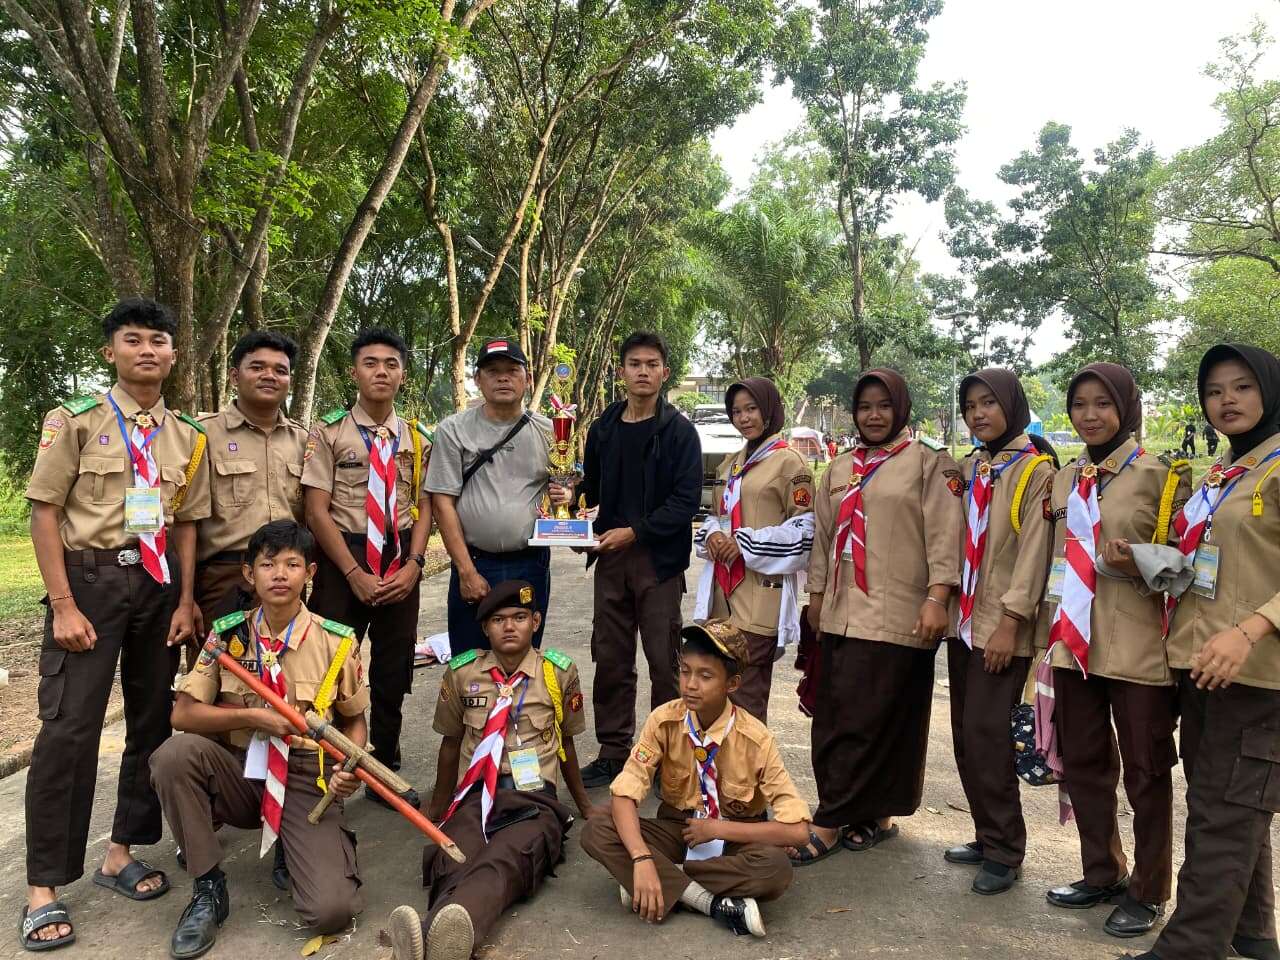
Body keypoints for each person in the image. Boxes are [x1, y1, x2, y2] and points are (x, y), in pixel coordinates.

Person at [21, 298, 211, 951]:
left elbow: (186, 521)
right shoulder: (74, 421)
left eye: (159, 340)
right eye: (133, 341)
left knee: (152, 724)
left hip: (157, 587)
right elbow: (44, 512)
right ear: (111, 352)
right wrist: (64, 603)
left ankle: (121, 853)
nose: (148, 350)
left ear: (174, 354)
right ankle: (44, 887)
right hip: (91, 583)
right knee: (69, 731)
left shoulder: (186, 433)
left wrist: (186, 599)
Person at [1117, 344, 1280, 960]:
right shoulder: (1225, 473)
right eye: (1215, 391)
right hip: (1201, 666)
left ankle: (1188, 948)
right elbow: (1215, 568)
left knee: (1224, 815)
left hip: (1258, 675)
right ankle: (1255, 934)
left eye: (1242, 387)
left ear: (1269, 391)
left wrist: (1253, 630)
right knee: (1232, 805)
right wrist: (1145, 559)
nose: (1228, 400)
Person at [150, 520, 366, 958]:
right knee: (173, 756)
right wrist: (254, 716)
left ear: (310, 573)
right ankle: (208, 886)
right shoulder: (227, 634)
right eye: (268, 564)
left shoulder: (336, 641)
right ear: (249, 574)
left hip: (308, 779)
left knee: (331, 912)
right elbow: (183, 713)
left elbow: (355, 722)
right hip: (243, 769)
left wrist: (351, 768)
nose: (280, 574)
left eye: (292, 564)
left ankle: (300, 842)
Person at [1038, 362, 1190, 939]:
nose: (1090, 415)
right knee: (1084, 763)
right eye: (1080, 404)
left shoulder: (1160, 474)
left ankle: (1149, 890)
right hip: (1074, 642)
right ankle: (1101, 870)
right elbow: (1060, 555)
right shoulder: (1067, 476)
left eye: (1103, 403)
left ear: (1125, 408)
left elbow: (1189, 560)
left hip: (1137, 644)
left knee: (1146, 771)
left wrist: (1138, 559)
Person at [790, 368, 962, 865]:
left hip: (902, 613)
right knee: (837, 718)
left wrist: (937, 597)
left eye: (883, 406)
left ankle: (832, 821)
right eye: (865, 406)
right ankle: (867, 814)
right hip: (843, 611)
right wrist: (817, 598)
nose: (873, 415)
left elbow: (945, 535)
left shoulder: (928, 464)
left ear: (901, 409)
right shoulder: (841, 467)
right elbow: (823, 538)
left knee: (886, 720)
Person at [383, 580, 592, 960]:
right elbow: (450, 745)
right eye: (498, 619)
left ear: (536, 621)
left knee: (503, 860)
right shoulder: (463, 673)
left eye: (519, 617)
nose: (509, 626)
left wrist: (584, 805)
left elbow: (568, 745)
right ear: (484, 628)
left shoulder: (557, 673)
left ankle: (429, 935)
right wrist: (437, 810)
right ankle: (444, 941)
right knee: (453, 854)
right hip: (475, 797)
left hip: (534, 802)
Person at [580, 620, 810, 938]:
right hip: (678, 830)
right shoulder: (664, 721)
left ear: (732, 684)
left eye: (705, 676)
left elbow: (798, 832)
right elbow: (625, 793)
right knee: (598, 828)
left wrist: (718, 829)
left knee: (775, 869)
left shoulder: (756, 739)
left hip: (734, 838)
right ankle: (710, 902)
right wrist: (642, 857)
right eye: (685, 671)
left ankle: (660, 882)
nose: (690, 684)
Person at [302, 327, 432, 808]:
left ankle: (384, 759)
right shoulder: (329, 432)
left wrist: (415, 564)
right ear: (355, 372)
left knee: (395, 663)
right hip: (342, 557)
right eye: (371, 363)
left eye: (391, 364)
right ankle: (331, 763)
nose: (382, 371)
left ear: (402, 373)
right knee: (334, 662)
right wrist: (353, 573)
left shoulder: (418, 439)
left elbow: (424, 505)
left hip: (399, 555)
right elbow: (316, 510)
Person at [943, 369, 1057, 895]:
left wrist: (1012, 622)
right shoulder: (972, 467)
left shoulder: (1035, 471)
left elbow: (1035, 551)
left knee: (990, 735)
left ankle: (1007, 850)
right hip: (963, 623)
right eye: (970, 406)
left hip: (999, 627)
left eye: (989, 403)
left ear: (1012, 405)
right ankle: (986, 835)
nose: (979, 414)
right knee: (966, 734)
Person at [577, 331, 702, 788]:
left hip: (659, 565)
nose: (643, 371)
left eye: (652, 364)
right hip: (610, 563)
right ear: (621, 371)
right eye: (635, 363)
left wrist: (635, 532)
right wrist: (572, 516)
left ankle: (668, 755)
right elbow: (589, 489)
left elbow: (686, 501)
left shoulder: (680, 433)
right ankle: (614, 750)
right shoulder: (603, 429)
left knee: (664, 662)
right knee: (610, 658)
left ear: (665, 374)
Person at [427, 337, 570, 654]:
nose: (503, 378)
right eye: (493, 371)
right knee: (470, 660)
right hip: (476, 562)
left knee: (524, 660)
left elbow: (562, 489)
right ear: (478, 380)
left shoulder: (551, 431)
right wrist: (466, 571)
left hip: (530, 564)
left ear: (527, 380)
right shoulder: (453, 430)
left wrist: (565, 496)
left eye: (511, 370)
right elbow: (442, 503)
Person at [693, 377, 814, 721]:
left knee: (746, 696)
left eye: (751, 409)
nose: (744, 418)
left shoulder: (790, 463)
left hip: (760, 593)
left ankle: (746, 774)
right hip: (722, 595)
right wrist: (714, 534)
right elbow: (716, 515)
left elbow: (806, 531)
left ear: (770, 411)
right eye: (736, 411)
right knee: (716, 693)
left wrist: (746, 543)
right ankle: (714, 771)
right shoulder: (730, 464)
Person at [194, 331, 308, 626]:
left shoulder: (304, 441)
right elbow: (185, 519)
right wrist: (185, 596)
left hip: (289, 574)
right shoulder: (202, 435)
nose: (269, 376)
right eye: (257, 367)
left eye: (280, 370)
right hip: (224, 576)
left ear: (290, 381)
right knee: (220, 667)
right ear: (234, 376)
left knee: (290, 665)